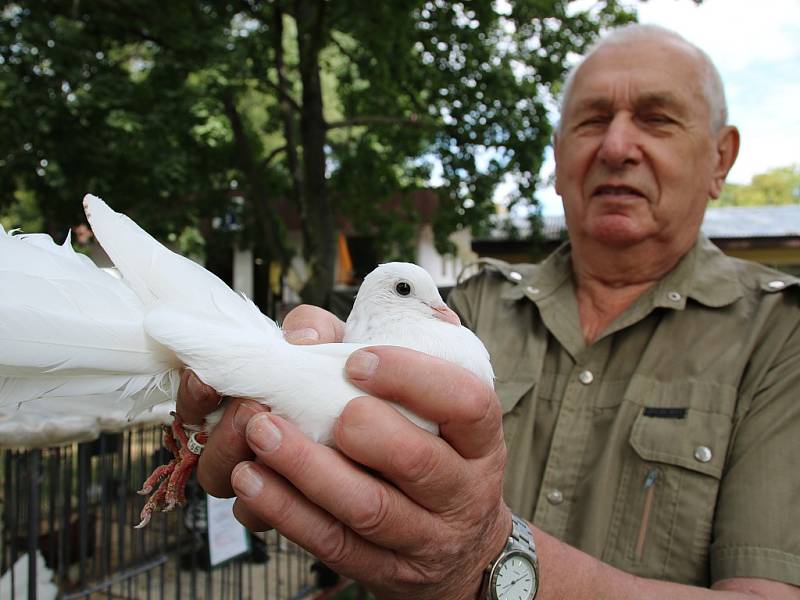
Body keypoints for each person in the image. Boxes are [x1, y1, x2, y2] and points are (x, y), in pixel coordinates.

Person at [178, 24, 800, 599]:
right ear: (556, 159)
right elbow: (350, 347)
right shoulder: (469, 306)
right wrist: (305, 362)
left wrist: (489, 560)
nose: (616, 146)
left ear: (721, 158)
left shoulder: (781, 339)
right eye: (590, 121)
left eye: (656, 119)